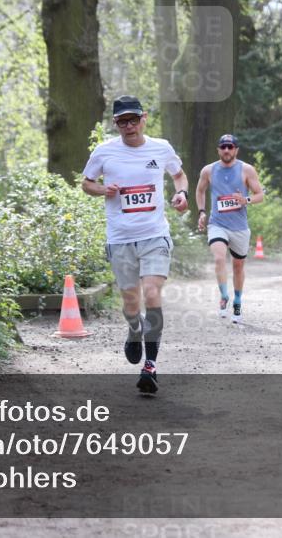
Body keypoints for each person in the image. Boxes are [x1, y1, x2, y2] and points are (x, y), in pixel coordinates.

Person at [82, 96, 188, 394]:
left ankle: (150, 366)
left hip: (155, 235)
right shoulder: (104, 152)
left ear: (144, 119)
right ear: (116, 124)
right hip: (121, 238)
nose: (128, 126)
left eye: (132, 119)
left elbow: (179, 175)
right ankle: (134, 329)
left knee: (152, 293)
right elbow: (86, 183)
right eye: (121, 121)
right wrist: (104, 189)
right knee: (131, 303)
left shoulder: (161, 148)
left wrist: (182, 195)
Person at [194, 134, 264, 324]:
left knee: (238, 265)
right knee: (218, 258)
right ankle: (224, 295)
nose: (226, 150)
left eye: (230, 147)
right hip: (217, 224)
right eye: (223, 147)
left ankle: (238, 301)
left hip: (239, 227)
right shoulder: (208, 170)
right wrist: (201, 212)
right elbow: (200, 190)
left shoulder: (246, 170)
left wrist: (246, 200)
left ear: (236, 150)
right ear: (218, 150)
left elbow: (260, 195)